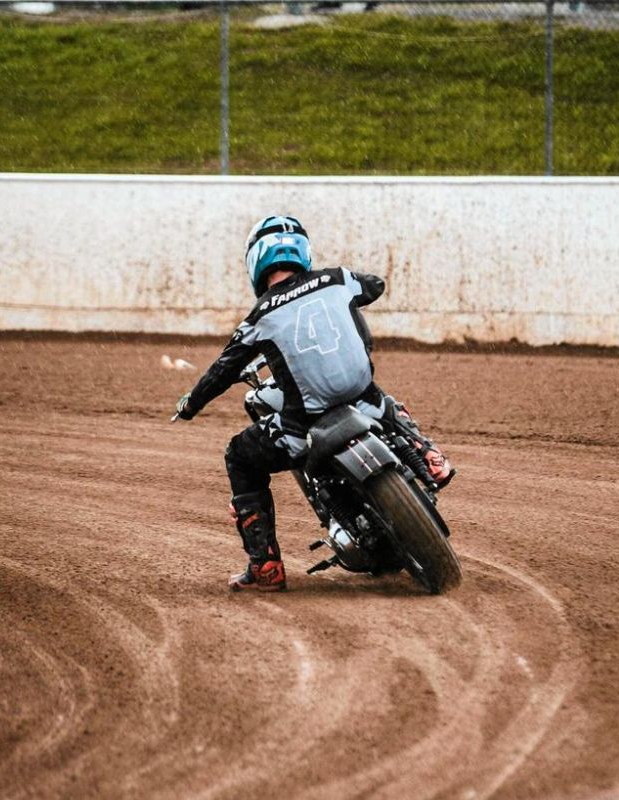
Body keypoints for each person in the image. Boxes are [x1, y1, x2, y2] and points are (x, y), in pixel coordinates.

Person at [173, 215, 452, 592]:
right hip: (362, 400)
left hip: (303, 425)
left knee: (239, 455)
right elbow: (376, 285)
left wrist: (190, 404)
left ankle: (265, 566)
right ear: (303, 252)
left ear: (256, 262)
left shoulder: (258, 318)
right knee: (383, 399)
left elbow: (221, 372)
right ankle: (429, 456)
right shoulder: (338, 278)